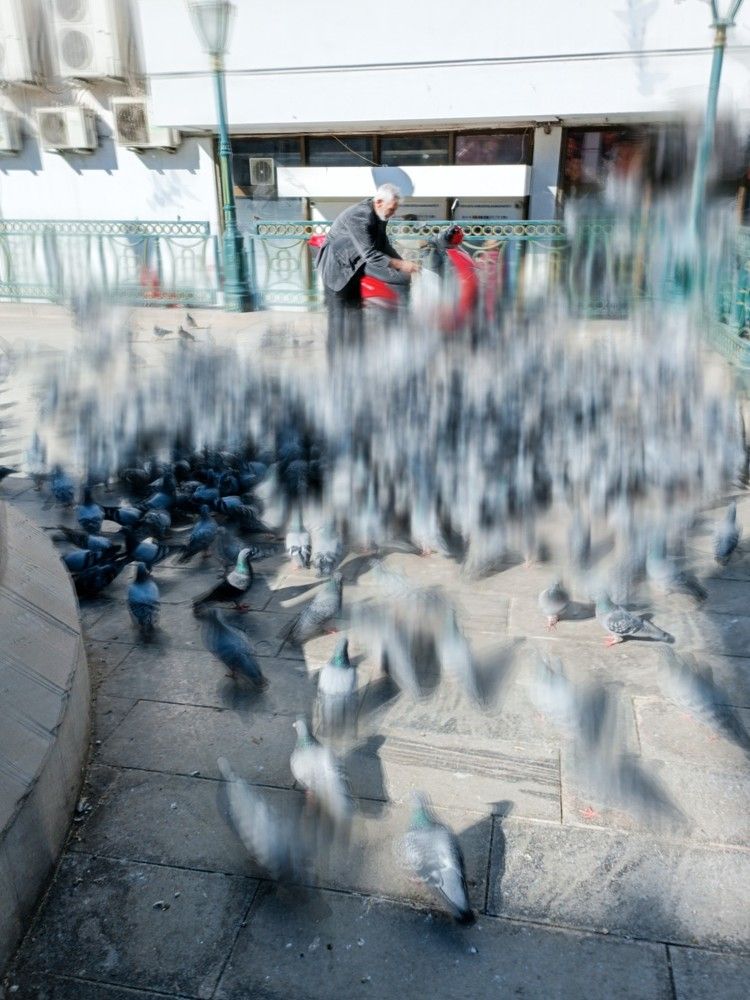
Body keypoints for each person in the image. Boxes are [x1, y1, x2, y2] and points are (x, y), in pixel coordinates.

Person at [317, 183, 421, 350]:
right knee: (338, 322)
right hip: (336, 269)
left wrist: (404, 264)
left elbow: (382, 244)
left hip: (355, 267)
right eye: (391, 209)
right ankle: (336, 368)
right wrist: (401, 264)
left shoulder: (380, 215)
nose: (393, 213)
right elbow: (370, 253)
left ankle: (356, 360)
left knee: (355, 317)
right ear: (379, 202)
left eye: (395, 209)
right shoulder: (360, 216)